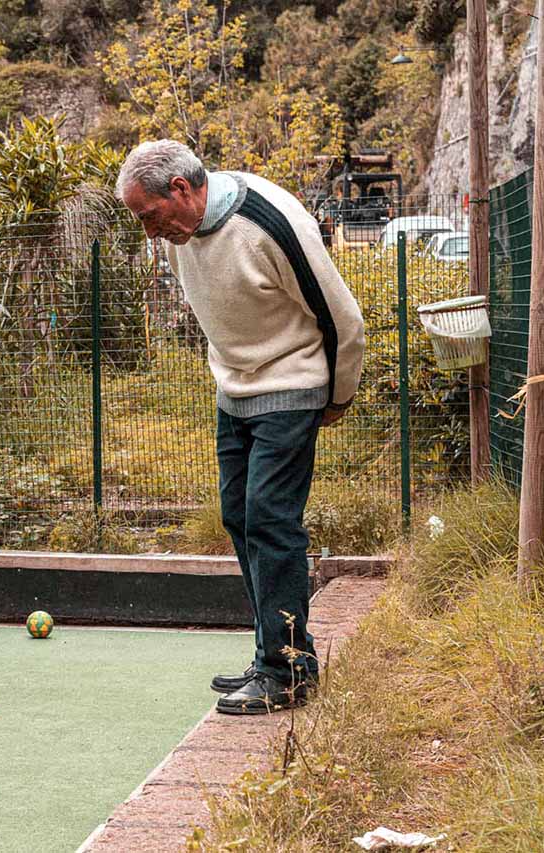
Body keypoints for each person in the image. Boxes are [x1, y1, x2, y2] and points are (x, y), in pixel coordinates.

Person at [116, 140, 366, 714]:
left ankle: (287, 674)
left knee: (271, 520)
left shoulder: (270, 222)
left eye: (150, 216)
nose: (150, 233)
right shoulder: (182, 235)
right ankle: (270, 650)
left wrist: (338, 395)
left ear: (181, 190)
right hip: (236, 389)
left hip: (293, 381)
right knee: (239, 516)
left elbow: (342, 317)